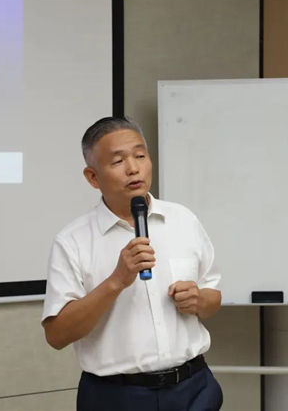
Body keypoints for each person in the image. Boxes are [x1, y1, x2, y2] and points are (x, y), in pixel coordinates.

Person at [41, 117, 223, 410]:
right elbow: (57, 335)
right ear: (93, 177)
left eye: (140, 156)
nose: (133, 168)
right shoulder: (72, 241)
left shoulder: (184, 220)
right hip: (116, 396)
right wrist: (116, 281)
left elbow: (213, 299)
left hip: (193, 388)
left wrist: (198, 299)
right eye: (117, 161)